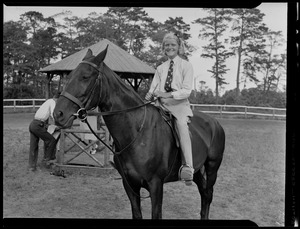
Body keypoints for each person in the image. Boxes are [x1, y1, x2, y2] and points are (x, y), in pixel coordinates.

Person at [145, 32, 194, 185]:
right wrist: (150, 94)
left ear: (179, 47)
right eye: (167, 45)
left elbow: (186, 91)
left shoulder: (186, 66)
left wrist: (167, 94)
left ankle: (188, 167)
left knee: (181, 125)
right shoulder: (160, 68)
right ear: (163, 48)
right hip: (160, 104)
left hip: (178, 105)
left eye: (173, 45)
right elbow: (154, 88)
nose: (170, 47)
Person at [28, 92, 61, 171]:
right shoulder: (53, 102)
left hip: (33, 123)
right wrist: (58, 123)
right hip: (38, 125)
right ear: (57, 99)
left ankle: (31, 167)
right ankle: (47, 160)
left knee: (34, 146)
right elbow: (53, 114)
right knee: (51, 140)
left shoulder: (47, 102)